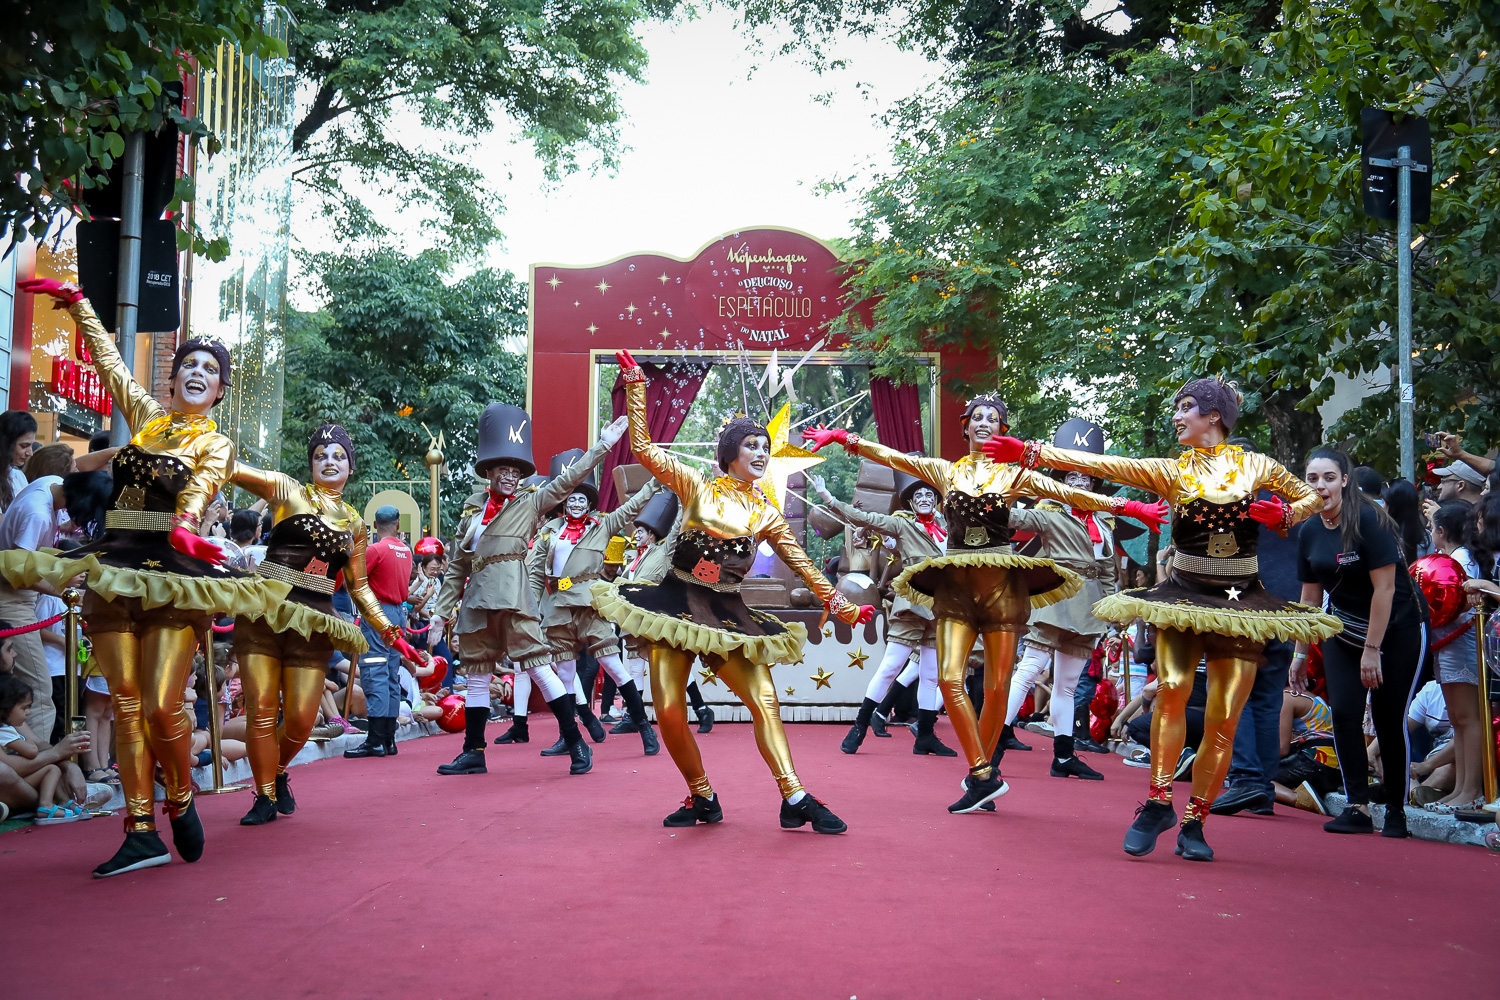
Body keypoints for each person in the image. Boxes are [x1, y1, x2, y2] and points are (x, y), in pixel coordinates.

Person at [989, 377, 1338, 860]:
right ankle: (1157, 802)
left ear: (1213, 416)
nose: (1176, 416)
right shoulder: (1172, 470)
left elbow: (1310, 499)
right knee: (1171, 694)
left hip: (1239, 607)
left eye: (1186, 407)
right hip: (1184, 598)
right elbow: (1097, 463)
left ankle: (1195, 819)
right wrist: (1030, 452)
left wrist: (1282, 515)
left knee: (1223, 717)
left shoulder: (1257, 465)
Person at [7, 277, 287, 877]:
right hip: (115, 562)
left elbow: (201, 487)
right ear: (173, 376)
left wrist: (187, 526)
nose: (196, 372)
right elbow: (111, 368)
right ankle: (140, 829)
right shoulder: (149, 419)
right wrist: (79, 306)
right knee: (125, 703)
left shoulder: (217, 442)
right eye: (188, 363)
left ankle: (180, 795)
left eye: (209, 368)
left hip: (171, 569)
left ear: (219, 388)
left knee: (162, 707)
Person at [805, 397, 1162, 815]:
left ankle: (986, 769)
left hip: (1002, 588)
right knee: (948, 677)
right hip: (955, 584)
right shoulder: (946, 471)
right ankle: (982, 772)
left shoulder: (1015, 474)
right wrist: (845, 439)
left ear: (1004, 428)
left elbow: (1066, 492)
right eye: (977, 417)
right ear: (965, 426)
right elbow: (892, 455)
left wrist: (1132, 507)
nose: (984, 422)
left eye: (993, 417)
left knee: (997, 686)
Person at [598, 349, 872, 833]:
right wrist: (637, 386)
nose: (762, 453)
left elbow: (804, 564)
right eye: (752, 444)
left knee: (765, 701)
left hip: (728, 614)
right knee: (668, 710)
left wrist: (842, 605)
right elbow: (642, 448)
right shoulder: (696, 487)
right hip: (676, 604)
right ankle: (702, 795)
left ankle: (795, 796)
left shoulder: (766, 514)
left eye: (765, 446)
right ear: (730, 453)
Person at [232, 425, 426, 824]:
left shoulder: (355, 525)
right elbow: (233, 468)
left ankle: (278, 770)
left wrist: (396, 637)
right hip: (264, 613)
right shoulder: (288, 491)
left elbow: (360, 589)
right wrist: (199, 442)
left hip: (314, 623)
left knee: (302, 720)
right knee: (262, 712)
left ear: (350, 466)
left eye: (338, 455)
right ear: (311, 463)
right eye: (321, 455)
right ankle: (265, 793)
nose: (329, 461)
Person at [431, 403, 628, 778]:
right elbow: (457, 566)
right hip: (476, 600)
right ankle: (473, 751)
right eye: (503, 470)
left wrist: (601, 446)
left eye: (515, 471)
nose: (509, 476)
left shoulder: (530, 501)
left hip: (513, 594)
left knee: (538, 668)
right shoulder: (471, 515)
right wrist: (441, 613)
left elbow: (566, 482)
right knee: (476, 674)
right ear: (489, 471)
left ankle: (576, 743)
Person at [1293, 448, 1426, 838]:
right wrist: (1300, 653)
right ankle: (1358, 806)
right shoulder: (1309, 530)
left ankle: (1397, 810)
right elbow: (1309, 597)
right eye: (1313, 479)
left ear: (1345, 480)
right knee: (1345, 713)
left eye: (1329, 478)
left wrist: (1373, 650)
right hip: (1343, 627)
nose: (1320, 486)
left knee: (1387, 717)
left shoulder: (1369, 519)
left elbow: (1384, 590)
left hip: (1397, 626)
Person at [996, 418, 1129, 781]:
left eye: (1085, 478)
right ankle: (993, 745)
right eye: (1072, 478)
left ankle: (1064, 755)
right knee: (1030, 670)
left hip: (1088, 607)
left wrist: (1112, 610)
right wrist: (1006, 483)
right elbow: (1009, 517)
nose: (1080, 483)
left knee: (1068, 684)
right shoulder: (1050, 513)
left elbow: (1107, 572)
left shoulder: (1103, 522)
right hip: (1055, 598)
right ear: (1061, 483)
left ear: (1094, 482)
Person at [807, 466, 951, 757]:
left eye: (929, 494)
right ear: (910, 502)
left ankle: (925, 735)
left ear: (935, 500)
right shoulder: (903, 524)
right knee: (890, 667)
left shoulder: (949, 527)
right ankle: (860, 726)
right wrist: (829, 498)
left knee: (931, 674)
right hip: (912, 604)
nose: (924, 498)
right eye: (918, 495)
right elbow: (866, 518)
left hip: (941, 606)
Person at [528, 461, 660, 756]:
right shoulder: (551, 531)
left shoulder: (602, 525)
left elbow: (630, 509)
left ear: (589, 504)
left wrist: (653, 485)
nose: (576, 503)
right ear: (564, 503)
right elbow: (536, 572)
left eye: (581, 499)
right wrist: (535, 608)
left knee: (613, 666)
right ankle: (570, 732)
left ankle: (644, 727)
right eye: (571, 498)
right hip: (559, 604)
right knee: (564, 674)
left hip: (590, 602)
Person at [615, 487, 717, 734]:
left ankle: (702, 709)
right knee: (635, 664)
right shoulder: (632, 560)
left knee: (673, 666)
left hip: (658, 615)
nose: (635, 535)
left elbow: (675, 532)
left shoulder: (662, 550)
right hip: (634, 617)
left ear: (650, 534)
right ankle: (632, 714)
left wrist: (682, 502)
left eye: (639, 532)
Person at [342, 505, 416, 760]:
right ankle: (388, 739)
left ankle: (375, 739)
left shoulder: (375, 550)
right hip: (397, 614)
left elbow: (352, 579)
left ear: (375, 526)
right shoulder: (406, 551)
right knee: (391, 673)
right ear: (397, 524)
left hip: (377, 613)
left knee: (375, 671)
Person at [1424, 501, 1484, 812]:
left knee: (1467, 720)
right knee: (1459, 722)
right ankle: (1461, 788)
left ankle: (1471, 789)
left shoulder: (1460, 560)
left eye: (1431, 527)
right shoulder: (1458, 558)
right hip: (1450, 645)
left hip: (1460, 645)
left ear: (1442, 531)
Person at [0, 673, 90, 824]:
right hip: (12, 779)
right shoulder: (5, 730)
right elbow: (30, 752)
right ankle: (47, 805)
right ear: (6, 708)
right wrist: (56, 752)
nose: (28, 712)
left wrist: (69, 764)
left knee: (51, 767)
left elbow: (37, 744)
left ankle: (62, 801)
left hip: (19, 780)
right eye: (24, 708)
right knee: (49, 768)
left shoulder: (10, 725)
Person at [0, 410, 37, 513]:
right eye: (24, 446)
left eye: (31, 446)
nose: (30, 453)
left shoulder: (18, 476)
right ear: (6, 443)